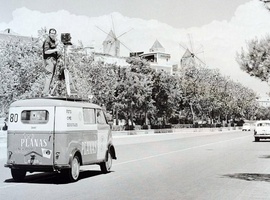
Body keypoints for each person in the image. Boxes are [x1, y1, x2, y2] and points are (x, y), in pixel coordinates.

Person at [42, 28, 60, 96]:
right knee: (49, 75)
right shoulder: (47, 40)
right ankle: (45, 93)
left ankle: (48, 92)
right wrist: (55, 50)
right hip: (49, 60)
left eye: (54, 33)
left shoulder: (53, 41)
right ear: (49, 34)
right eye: (51, 33)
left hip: (53, 60)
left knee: (51, 76)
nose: (53, 34)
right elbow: (46, 51)